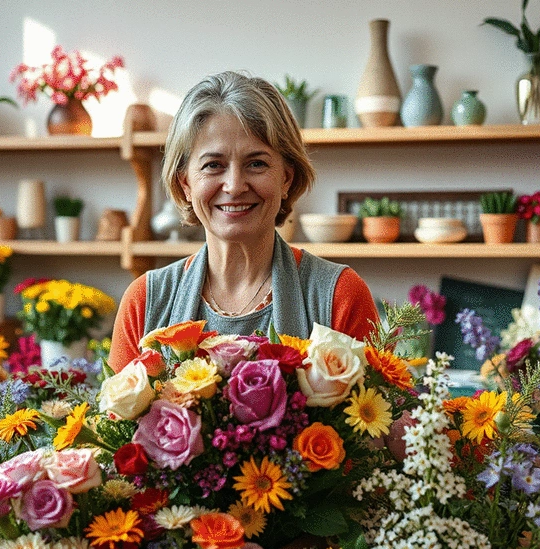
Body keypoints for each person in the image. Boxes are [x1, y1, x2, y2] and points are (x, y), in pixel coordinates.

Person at [109, 71, 379, 371]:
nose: (235, 186)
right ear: (185, 183)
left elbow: (375, 400)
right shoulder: (144, 302)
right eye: (213, 165)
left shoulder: (341, 295)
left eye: (256, 163)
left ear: (286, 178)